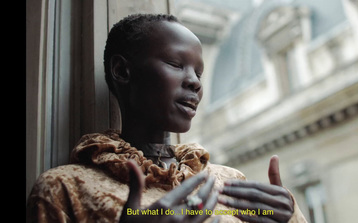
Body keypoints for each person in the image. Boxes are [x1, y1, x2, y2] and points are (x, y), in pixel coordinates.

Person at [27, 14, 307, 223]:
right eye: (176, 64)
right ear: (122, 71)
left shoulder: (229, 184)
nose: (195, 83)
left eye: (198, 73)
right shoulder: (64, 189)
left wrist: (290, 217)